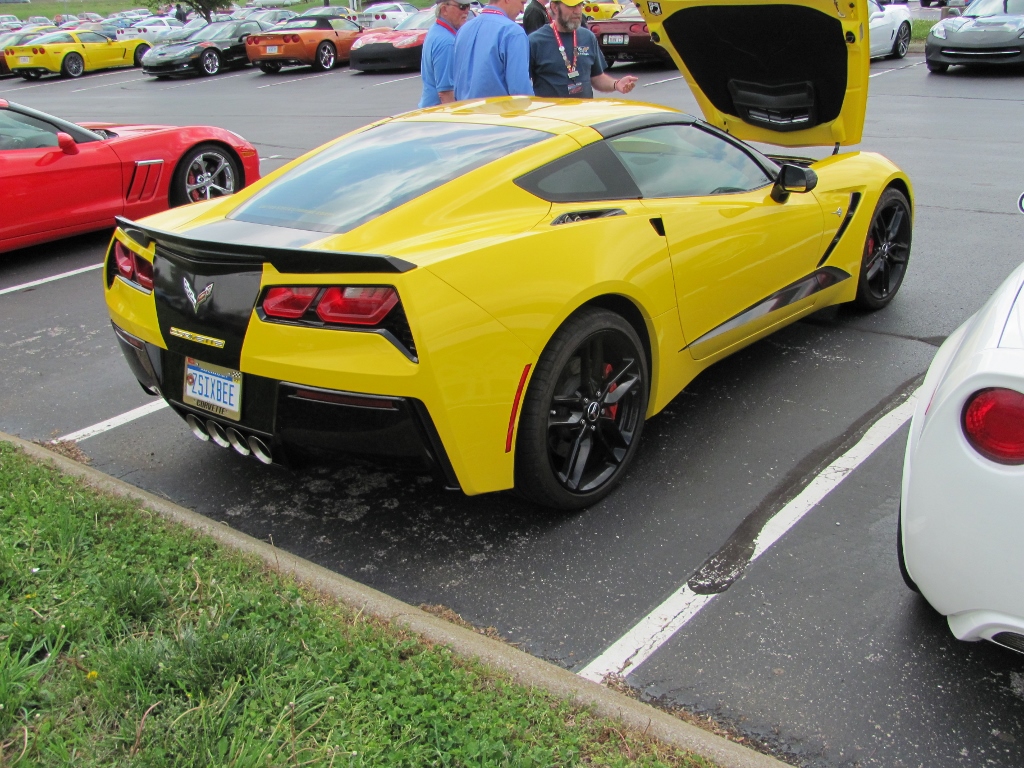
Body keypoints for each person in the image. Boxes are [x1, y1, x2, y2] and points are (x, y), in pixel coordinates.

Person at [528, 0, 637, 99]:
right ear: (555, 7)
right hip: (553, 117)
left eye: (580, 5)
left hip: (585, 116)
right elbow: (522, 84)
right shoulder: (535, 41)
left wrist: (616, 84)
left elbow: (597, 77)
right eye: (572, 6)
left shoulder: (588, 37)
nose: (577, 11)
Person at [452, 0, 533, 100]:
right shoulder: (513, 32)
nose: (522, 10)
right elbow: (520, 93)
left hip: (465, 111)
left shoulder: (463, 30)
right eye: (522, 2)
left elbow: (456, 84)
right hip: (498, 112)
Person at [419, 0, 472, 108]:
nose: (467, 11)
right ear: (444, 9)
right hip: (439, 114)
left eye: (468, 6)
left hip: (430, 111)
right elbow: (446, 93)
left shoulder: (436, 30)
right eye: (462, 6)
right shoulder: (447, 43)